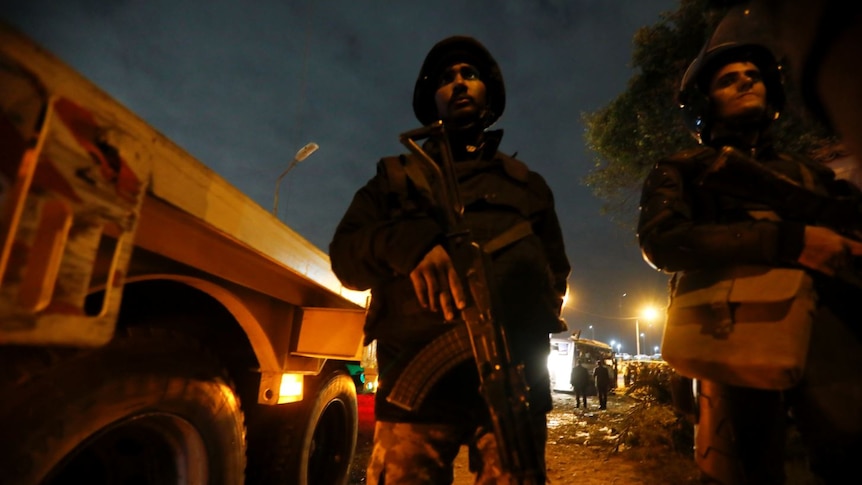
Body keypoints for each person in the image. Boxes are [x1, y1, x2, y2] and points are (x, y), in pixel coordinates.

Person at [329, 35, 570, 484]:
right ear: (432, 97)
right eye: (446, 78)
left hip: (511, 388)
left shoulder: (527, 185)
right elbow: (345, 256)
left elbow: (555, 274)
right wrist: (411, 245)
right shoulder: (395, 179)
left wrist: (518, 322)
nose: (459, 83)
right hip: (415, 390)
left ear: (488, 93)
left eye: (470, 75)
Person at [637, 27, 862, 484]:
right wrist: (787, 242)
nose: (745, 81)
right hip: (733, 336)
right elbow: (663, 240)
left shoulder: (811, 173)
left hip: (828, 339)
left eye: (753, 74)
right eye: (727, 79)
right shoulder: (683, 168)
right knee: (741, 467)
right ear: (706, 102)